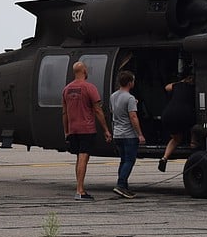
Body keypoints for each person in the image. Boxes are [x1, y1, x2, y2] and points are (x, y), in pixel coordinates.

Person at [61, 61, 112, 201]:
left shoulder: (66, 89)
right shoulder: (89, 88)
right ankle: (80, 190)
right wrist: (106, 129)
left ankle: (79, 186)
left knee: (80, 157)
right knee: (84, 156)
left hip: (73, 129)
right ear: (84, 71)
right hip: (86, 128)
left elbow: (64, 113)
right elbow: (97, 110)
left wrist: (66, 131)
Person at [110, 70, 146, 199]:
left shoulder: (113, 96)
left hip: (118, 133)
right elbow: (133, 116)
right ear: (130, 83)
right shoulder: (129, 98)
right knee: (130, 160)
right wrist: (140, 134)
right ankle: (120, 184)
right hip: (129, 134)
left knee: (123, 160)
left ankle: (124, 187)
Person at [158, 69, 196, 172]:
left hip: (168, 114)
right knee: (196, 124)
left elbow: (167, 87)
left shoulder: (178, 86)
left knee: (176, 138)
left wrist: (180, 82)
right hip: (185, 115)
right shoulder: (195, 88)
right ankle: (193, 144)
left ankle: (164, 158)